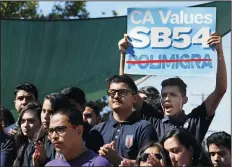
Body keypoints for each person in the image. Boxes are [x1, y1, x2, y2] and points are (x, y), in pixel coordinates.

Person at [118, 33, 227, 143]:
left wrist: (219, 52)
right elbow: (127, 91)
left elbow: (220, 90)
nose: (167, 99)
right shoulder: (155, 120)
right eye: (164, 95)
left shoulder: (195, 120)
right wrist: (123, 55)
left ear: (184, 100)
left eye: (173, 95)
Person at [87, 74, 158, 165]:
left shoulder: (144, 127)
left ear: (134, 98)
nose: (116, 96)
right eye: (112, 92)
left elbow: (150, 163)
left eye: (122, 92)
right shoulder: (96, 131)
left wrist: (117, 159)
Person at [45, 108, 111, 166]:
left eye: (60, 129)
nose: (54, 136)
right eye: (51, 131)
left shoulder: (99, 164)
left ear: (79, 131)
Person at [23, 93, 75, 166]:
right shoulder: (35, 145)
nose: (45, 116)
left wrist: (45, 161)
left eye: (50, 112)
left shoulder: (71, 142)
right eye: (43, 111)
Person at [13, 102, 42, 166]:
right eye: (23, 121)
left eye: (31, 121)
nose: (25, 125)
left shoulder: (45, 147)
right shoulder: (21, 145)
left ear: (41, 122)